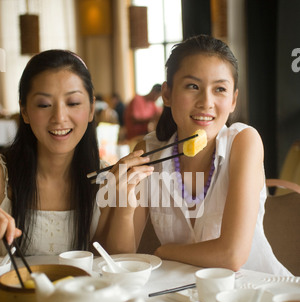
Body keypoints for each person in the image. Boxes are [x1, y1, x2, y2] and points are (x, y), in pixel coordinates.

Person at [101, 34, 291, 275]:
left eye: (220, 89)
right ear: (167, 94)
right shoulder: (149, 151)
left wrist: (164, 251)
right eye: (193, 86)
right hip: (184, 299)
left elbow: (231, 255)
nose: (206, 102)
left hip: (257, 296)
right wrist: (124, 204)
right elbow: (121, 261)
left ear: (233, 100)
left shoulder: (244, 142)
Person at [0, 49, 148, 256]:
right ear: (24, 111)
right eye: (44, 104)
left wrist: (123, 203)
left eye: (73, 103)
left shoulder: (107, 179)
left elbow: (114, 264)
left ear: (90, 109)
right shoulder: (3, 175)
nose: (59, 117)